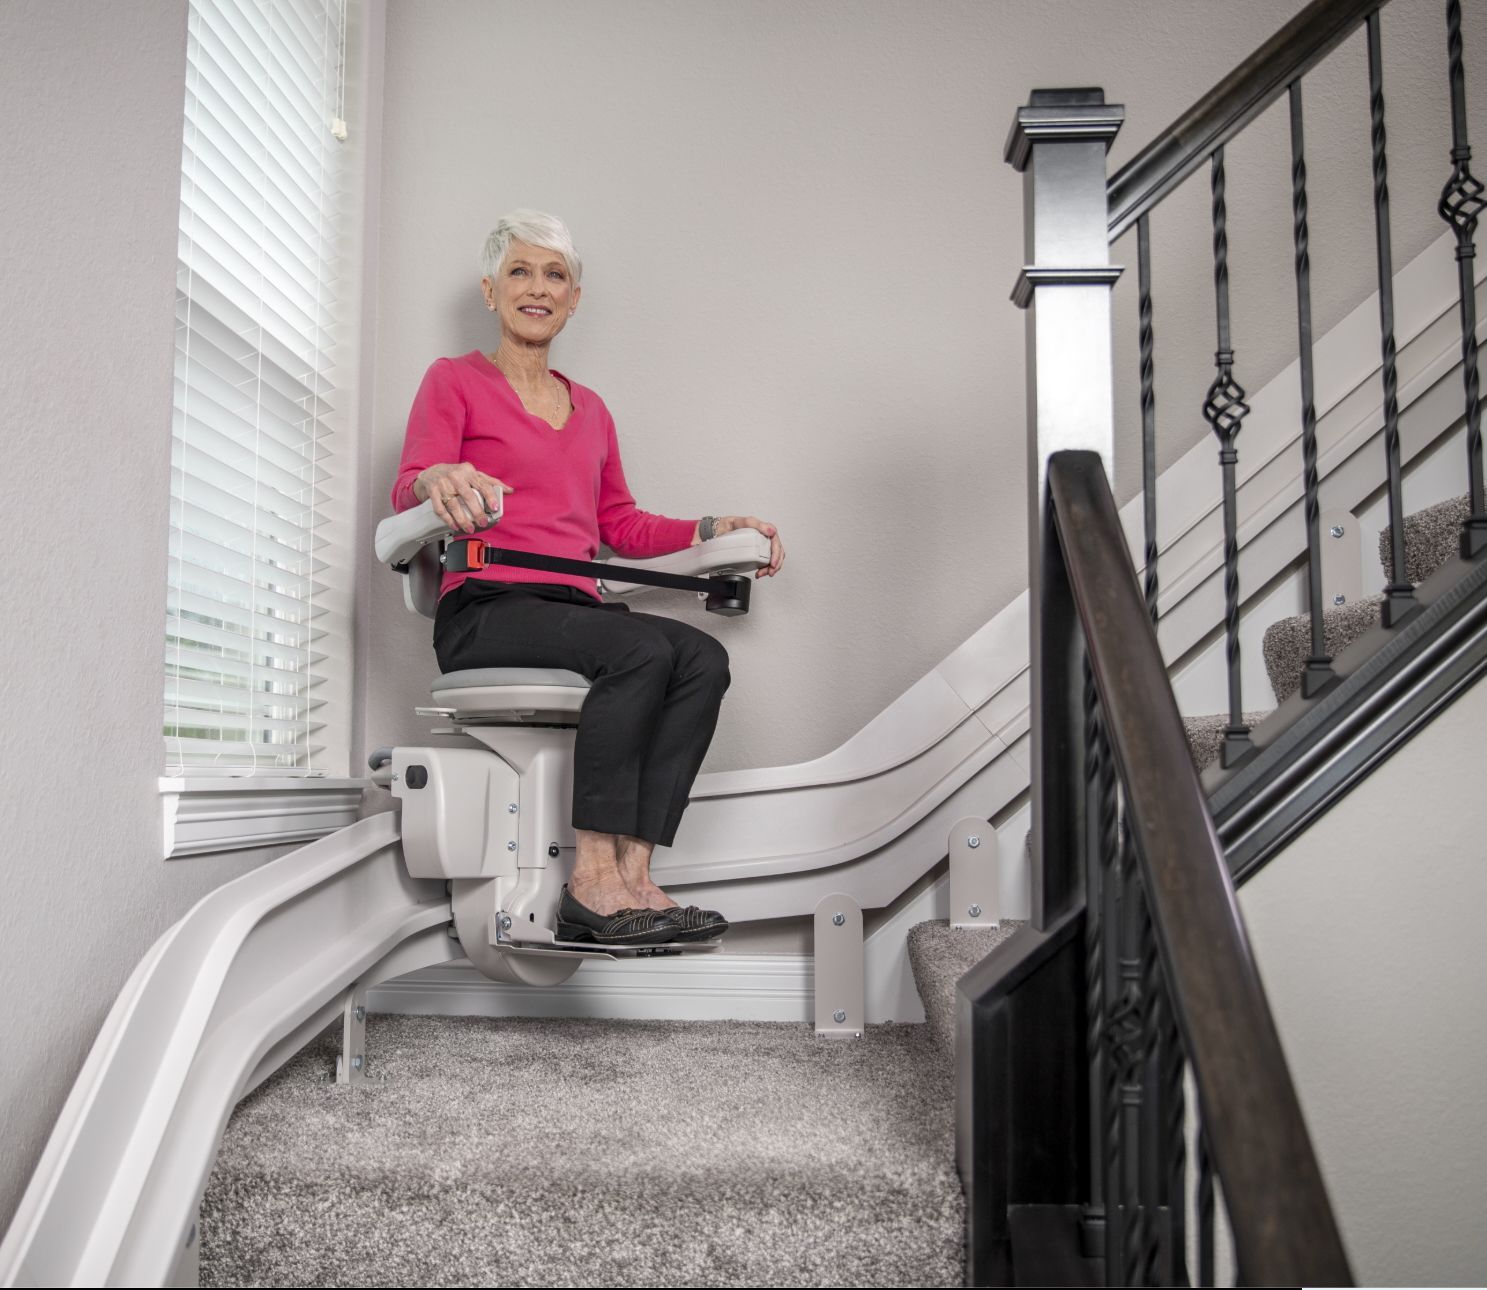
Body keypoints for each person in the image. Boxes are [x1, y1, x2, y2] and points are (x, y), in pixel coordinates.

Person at [391, 210, 785, 946]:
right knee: (638, 650)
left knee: (701, 656)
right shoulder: (454, 382)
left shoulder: (592, 410)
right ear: (490, 291)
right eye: (519, 271)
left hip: (571, 610)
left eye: (555, 276)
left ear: (573, 299)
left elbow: (621, 526)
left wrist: (709, 529)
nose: (536, 289)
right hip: (486, 608)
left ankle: (634, 877)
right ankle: (591, 880)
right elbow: (409, 485)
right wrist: (436, 476)